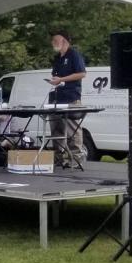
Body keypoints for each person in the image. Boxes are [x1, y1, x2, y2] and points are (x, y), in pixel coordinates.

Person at [47, 29, 87, 167]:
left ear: (63, 41)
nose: (53, 42)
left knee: (72, 130)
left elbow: (82, 73)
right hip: (57, 98)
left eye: (55, 40)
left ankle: (76, 158)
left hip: (71, 97)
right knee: (56, 128)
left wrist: (62, 79)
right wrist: (54, 80)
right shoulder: (57, 58)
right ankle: (58, 157)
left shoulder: (74, 55)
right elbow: (56, 76)